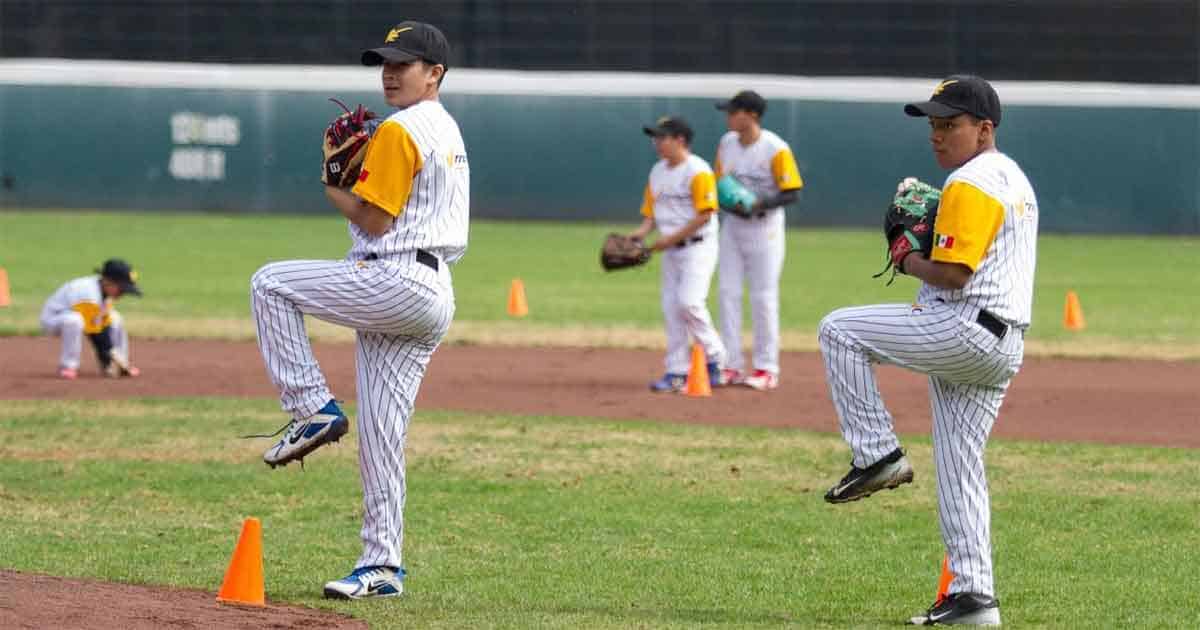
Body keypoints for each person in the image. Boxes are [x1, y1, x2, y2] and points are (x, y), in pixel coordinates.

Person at [248, 20, 468, 600]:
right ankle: (382, 567)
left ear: (435, 73)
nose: (391, 73)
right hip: (431, 291)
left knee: (270, 284)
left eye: (405, 64)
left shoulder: (401, 130)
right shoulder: (445, 128)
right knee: (381, 436)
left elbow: (372, 219)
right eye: (385, 63)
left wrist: (331, 180)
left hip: (394, 278)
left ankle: (310, 408)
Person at [818, 75, 1037, 626]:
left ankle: (877, 454)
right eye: (934, 125)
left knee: (839, 330)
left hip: (964, 327)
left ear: (984, 129)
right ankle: (974, 598)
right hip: (1000, 341)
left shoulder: (973, 181)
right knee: (960, 465)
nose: (938, 135)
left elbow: (954, 274)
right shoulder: (1010, 178)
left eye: (950, 124)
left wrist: (903, 255)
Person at [712, 90, 804, 391]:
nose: (728, 117)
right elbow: (720, 186)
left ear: (751, 114)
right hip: (733, 227)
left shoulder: (775, 148)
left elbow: (792, 192)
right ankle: (731, 365)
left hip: (766, 229)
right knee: (727, 293)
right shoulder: (727, 144)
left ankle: (766, 368)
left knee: (763, 297)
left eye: (733, 111)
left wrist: (758, 203)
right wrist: (732, 203)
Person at [628, 116, 726, 392]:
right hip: (670, 250)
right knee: (671, 309)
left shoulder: (698, 171)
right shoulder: (657, 171)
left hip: (698, 247)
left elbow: (705, 215)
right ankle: (676, 371)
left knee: (690, 302)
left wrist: (667, 240)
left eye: (662, 137)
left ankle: (716, 356)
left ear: (680, 140)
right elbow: (650, 216)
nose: (656, 143)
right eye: (655, 138)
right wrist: (637, 235)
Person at [40, 258, 142, 379]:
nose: (122, 294)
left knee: (116, 318)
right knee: (74, 321)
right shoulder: (88, 294)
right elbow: (96, 335)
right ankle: (68, 366)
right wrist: (109, 354)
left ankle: (120, 364)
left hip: (79, 318)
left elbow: (104, 325)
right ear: (107, 281)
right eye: (122, 289)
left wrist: (116, 360)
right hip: (54, 319)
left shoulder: (105, 291)